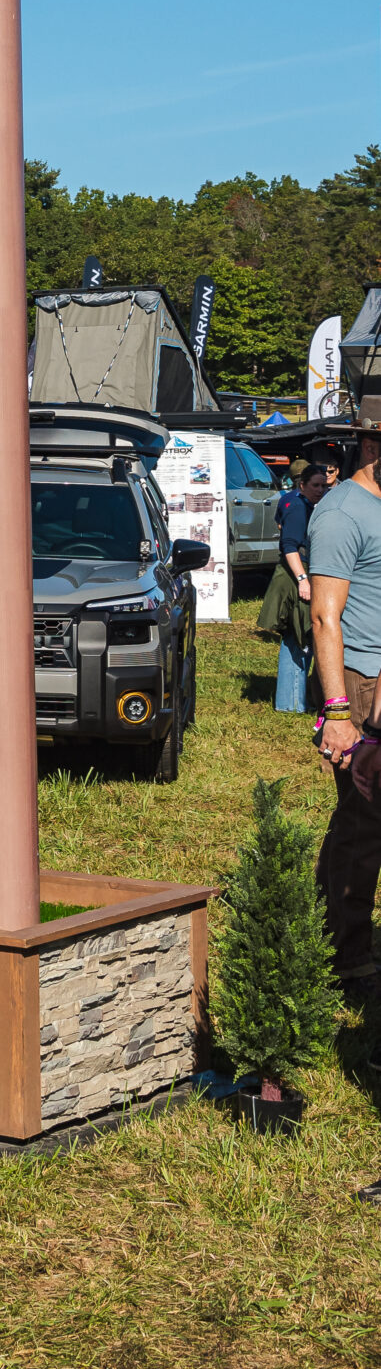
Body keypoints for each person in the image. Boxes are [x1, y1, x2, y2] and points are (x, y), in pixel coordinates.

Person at [309, 426, 381, 996]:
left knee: (360, 817)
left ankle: (325, 924)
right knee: (365, 820)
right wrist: (337, 712)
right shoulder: (340, 514)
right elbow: (323, 617)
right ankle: (348, 959)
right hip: (359, 683)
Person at [269, 459, 328, 712]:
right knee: (298, 636)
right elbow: (290, 546)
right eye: (315, 485)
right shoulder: (297, 507)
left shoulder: (290, 500)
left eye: (324, 486)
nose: (320, 490)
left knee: (298, 635)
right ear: (302, 485)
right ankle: (291, 704)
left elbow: (278, 523)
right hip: (296, 576)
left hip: (295, 573)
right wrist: (303, 580)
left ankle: (293, 701)